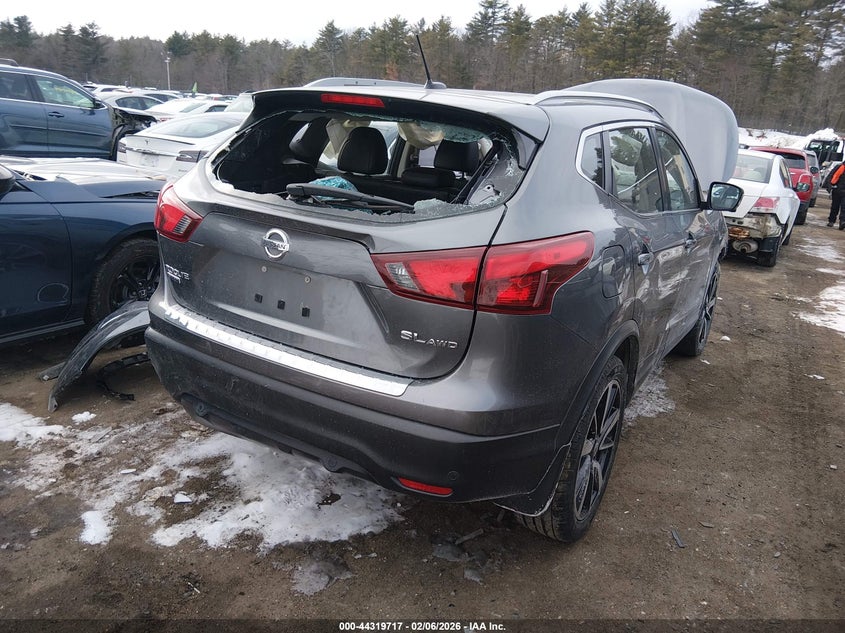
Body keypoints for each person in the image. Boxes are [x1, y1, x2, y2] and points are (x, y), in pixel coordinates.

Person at [827, 161, 845, 228]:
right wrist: (830, 187)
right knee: (835, 206)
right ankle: (831, 221)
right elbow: (830, 176)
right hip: (837, 190)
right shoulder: (839, 166)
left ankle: (842, 222)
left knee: (844, 207)